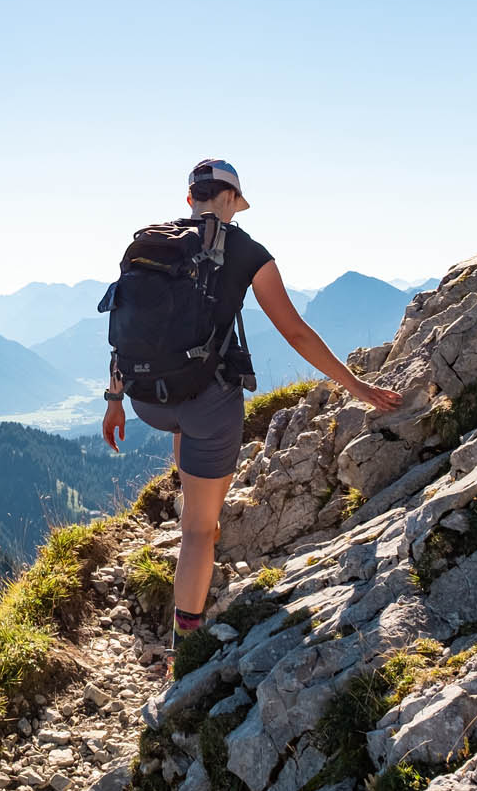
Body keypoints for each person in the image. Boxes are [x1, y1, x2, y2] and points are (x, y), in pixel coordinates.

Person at [101, 158, 403, 662]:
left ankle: (191, 499)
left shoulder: (150, 244)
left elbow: (126, 326)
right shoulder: (245, 250)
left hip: (147, 402)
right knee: (201, 531)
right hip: (207, 405)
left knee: (191, 468)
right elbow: (296, 331)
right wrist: (357, 386)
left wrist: (114, 401)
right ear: (231, 200)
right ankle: (188, 644)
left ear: (192, 198)